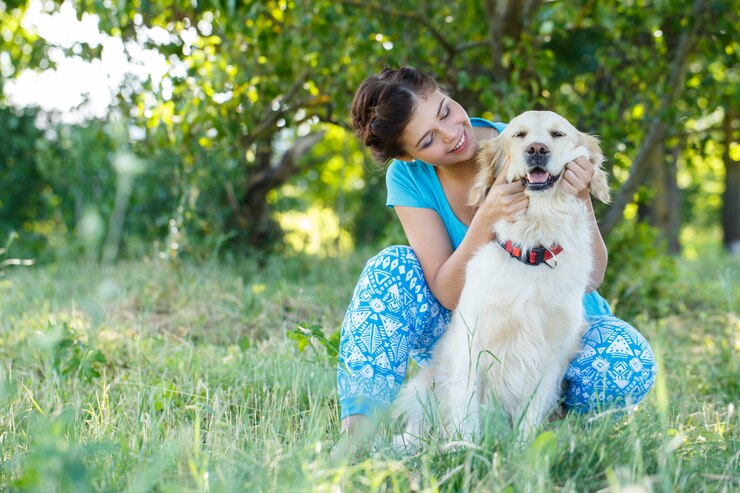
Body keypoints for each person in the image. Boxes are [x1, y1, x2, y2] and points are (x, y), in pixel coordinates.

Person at [337, 66, 656, 439]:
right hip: (467, 331)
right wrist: (486, 216)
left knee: (629, 362)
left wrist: (581, 195)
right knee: (390, 267)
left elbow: (593, 277)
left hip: (558, 325)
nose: (453, 134)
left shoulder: (526, 139)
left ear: (445, 92)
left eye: (445, 111)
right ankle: (356, 436)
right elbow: (448, 293)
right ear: (409, 156)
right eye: (428, 141)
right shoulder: (408, 177)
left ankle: (549, 429)